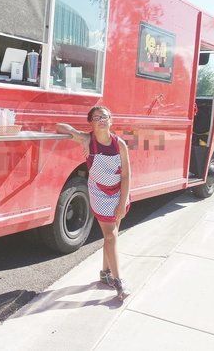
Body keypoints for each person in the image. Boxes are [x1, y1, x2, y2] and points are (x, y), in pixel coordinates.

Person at [56, 106, 132, 300]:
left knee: (110, 237)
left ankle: (105, 273)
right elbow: (61, 127)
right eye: (96, 117)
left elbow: (126, 175)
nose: (101, 120)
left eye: (105, 116)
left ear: (111, 120)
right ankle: (119, 282)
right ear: (91, 122)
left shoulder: (119, 144)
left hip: (118, 193)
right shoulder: (88, 140)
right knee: (111, 236)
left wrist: (122, 203)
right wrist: (75, 133)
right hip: (99, 192)